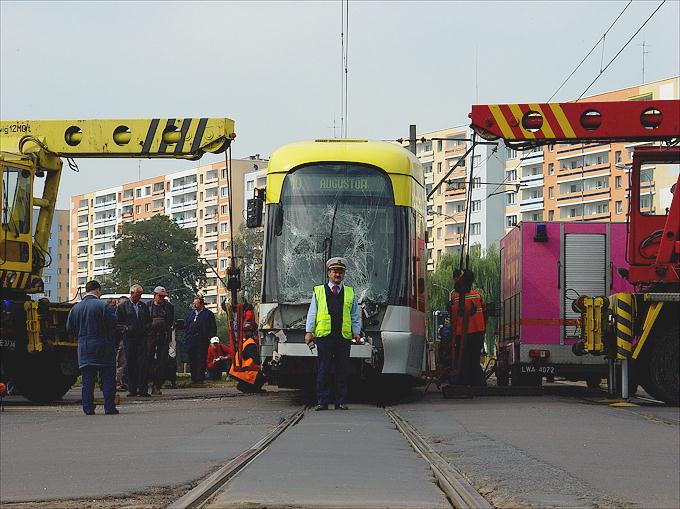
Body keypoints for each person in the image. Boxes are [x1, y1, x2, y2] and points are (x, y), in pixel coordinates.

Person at [304, 257, 361, 411]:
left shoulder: (349, 292)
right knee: (324, 369)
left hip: (343, 337)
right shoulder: (319, 291)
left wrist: (356, 332)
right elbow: (312, 313)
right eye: (334, 271)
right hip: (324, 337)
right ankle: (322, 401)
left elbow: (355, 314)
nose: (337, 274)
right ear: (329, 273)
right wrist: (309, 331)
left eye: (340, 272)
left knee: (342, 369)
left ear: (344, 275)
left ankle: (340, 401)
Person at [66, 280, 118, 415]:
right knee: (107, 378)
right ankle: (109, 407)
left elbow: (69, 329)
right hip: (103, 345)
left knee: (87, 381)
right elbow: (113, 323)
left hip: (84, 347)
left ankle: (88, 408)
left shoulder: (75, 308)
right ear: (98, 290)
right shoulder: (103, 306)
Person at [449, 269, 487, 387]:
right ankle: (478, 383)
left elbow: (452, 314)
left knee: (463, 359)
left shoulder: (455, 297)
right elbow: (485, 313)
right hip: (477, 332)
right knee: (474, 359)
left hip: (461, 333)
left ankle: (463, 381)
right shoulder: (477, 296)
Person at [117, 284, 152, 397]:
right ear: (132, 294)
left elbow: (148, 320)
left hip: (141, 338)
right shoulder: (123, 307)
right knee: (130, 363)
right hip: (129, 338)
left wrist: (146, 328)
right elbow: (118, 323)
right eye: (138, 295)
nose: (139, 297)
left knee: (142, 364)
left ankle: (143, 389)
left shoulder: (143, 306)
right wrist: (126, 329)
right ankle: (132, 388)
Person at [147, 286, 175, 395]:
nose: (161, 299)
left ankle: (157, 385)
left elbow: (170, 322)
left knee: (162, 361)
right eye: (160, 296)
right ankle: (146, 383)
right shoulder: (147, 305)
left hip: (163, 336)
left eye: (164, 297)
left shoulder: (169, 307)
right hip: (150, 336)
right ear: (155, 295)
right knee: (148, 359)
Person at [184, 296, 217, 385]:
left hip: (202, 340)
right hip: (191, 340)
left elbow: (212, 328)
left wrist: (210, 339)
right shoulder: (191, 314)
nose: (194, 305)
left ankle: (200, 378)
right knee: (192, 359)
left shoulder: (208, 314)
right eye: (194, 303)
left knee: (201, 359)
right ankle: (193, 378)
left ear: (201, 304)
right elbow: (186, 326)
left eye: (196, 303)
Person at [114, 296, 129, 391]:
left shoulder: (128, 313)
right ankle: (116, 382)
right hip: (117, 340)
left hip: (125, 340)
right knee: (117, 362)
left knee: (122, 362)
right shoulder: (114, 314)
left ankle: (121, 382)